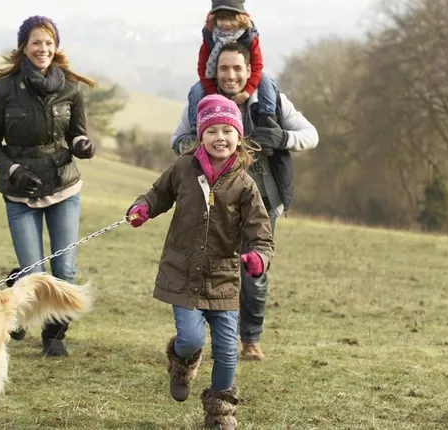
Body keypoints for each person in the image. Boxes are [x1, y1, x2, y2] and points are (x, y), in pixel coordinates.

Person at [127, 94, 274, 429]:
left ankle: (220, 412)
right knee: (191, 339)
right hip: (182, 274)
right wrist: (143, 208)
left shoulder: (245, 186)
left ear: (239, 137)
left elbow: (261, 235)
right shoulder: (183, 169)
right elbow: (158, 194)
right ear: (200, 136)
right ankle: (182, 364)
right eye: (212, 131)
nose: (220, 137)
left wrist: (258, 258)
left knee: (227, 349)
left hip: (223, 279)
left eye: (227, 130)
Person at [172, 42, 319, 361]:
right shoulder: (200, 100)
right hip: (213, 200)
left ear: (250, 70)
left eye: (238, 68)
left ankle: (251, 339)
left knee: (254, 269)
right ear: (214, 71)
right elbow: (177, 140)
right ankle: (208, 338)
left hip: (261, 200)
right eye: (224, 68)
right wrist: (198, 146)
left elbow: (311, 135)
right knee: (210, 269)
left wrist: (283, 138)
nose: (231, 75)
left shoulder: (271, 100)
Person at [0, 15, 96, 357]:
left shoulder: (71, 87)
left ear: (55, 47)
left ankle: (54, 336)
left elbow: (77, 134)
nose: (43, 48)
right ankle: (17, 292)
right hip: (19, 191)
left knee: (64, 270)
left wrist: (81, 145)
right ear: (24, 47)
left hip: (63, 187)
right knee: (34, 272)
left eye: (49, 42)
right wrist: (13, 170)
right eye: (36, 42)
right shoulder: (4, 88)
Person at [189, 0, 278, 131]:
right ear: (214, 19)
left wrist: (246, 93)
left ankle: (267, 121)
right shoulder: (210, 36)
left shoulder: (249, 36)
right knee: (196, 89)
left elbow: (257, 65)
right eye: (221, 19)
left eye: (231, 19)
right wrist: (214, 93)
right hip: (216, 78)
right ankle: (194, 128)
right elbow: (202, 67)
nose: (226, 23)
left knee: (266, 79)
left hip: (246, 77)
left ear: (240, 17)